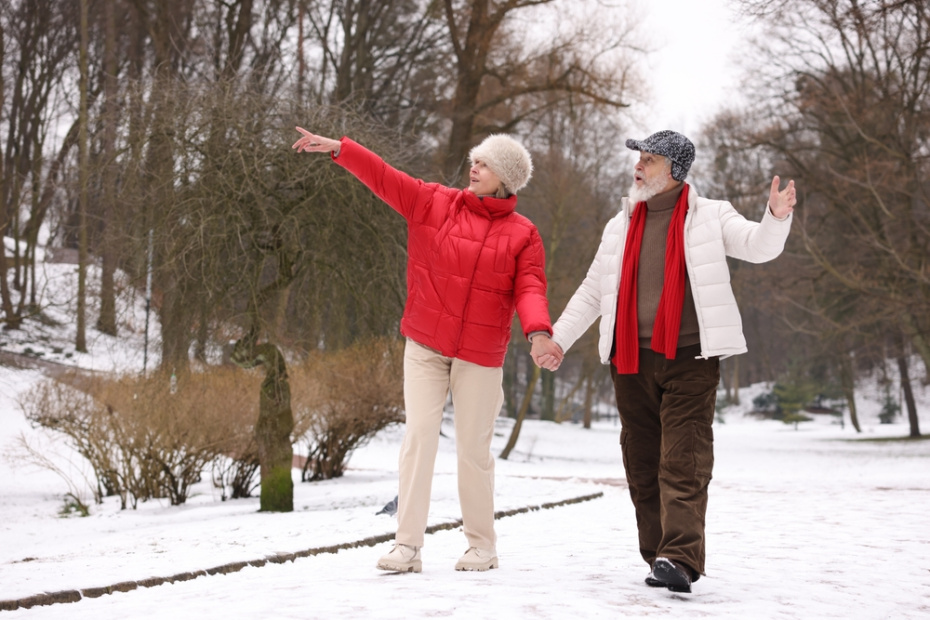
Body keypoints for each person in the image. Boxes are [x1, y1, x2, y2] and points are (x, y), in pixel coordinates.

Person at [530, 130, 795, 593]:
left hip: (690, 357)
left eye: (649, 160)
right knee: (642, 461)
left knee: (683, 460)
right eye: (639, 158)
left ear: (674, 169)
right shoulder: (620, 225)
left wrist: (774, 216)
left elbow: (758, 246)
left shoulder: (711, 215)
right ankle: (659, 556)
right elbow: (594, 291)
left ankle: (680, 556)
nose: (638, 167)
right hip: (630, 359)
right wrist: (558, 339)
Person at [293, 127, 560, 573]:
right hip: (425, 345)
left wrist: (538, 333)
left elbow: (530, 289)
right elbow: (384, 177)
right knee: (418, 438)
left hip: (479, 356)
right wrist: (343, 149)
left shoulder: (523, 234)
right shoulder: (433, 202)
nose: (473, 167)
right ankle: (407, 547)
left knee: (473, 450)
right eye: (474, 160)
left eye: (485, 163)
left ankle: (481, 546)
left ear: (506, 178)